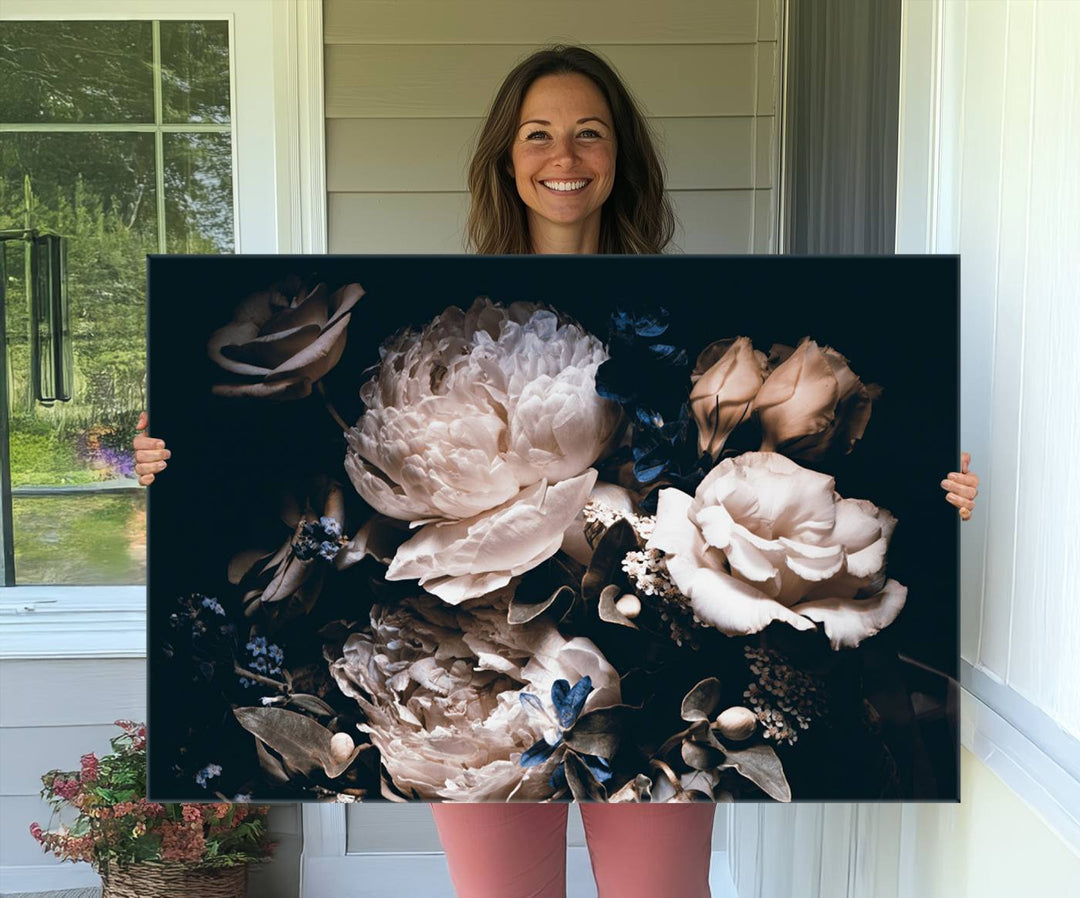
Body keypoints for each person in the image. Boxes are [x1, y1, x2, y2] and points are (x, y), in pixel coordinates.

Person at [134, 45, 979, 898]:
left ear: (621, 159)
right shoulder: (440, 324)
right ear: (507, 158)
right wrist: (169, 458)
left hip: (656, 682)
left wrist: (943, 496)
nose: (564, 158)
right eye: (538, 135)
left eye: (589, 134)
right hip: (463, 673)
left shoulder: (691, 319)